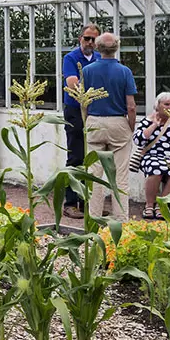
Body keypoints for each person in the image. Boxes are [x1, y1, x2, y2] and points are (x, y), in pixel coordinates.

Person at [80, 32, 138, 218]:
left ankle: (94, 217)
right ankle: (121, 219)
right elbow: (131, 105)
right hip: (118, 122)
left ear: (97, 47)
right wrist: (130, 126)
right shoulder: (125, 71)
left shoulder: (87, 71)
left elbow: (84, 101)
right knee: (120, 176)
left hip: (94, 121)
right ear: (117, 47)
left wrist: (86, 122)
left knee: (94, 175)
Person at [62, 23, 101, 219]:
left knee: (92, 158)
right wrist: (89, 95)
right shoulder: (71, 58)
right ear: (80, 39)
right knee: (76, 156)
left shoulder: (100, 58)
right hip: (76, 111)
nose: (90, 43)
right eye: (87, 38)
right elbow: (72, 82)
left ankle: (89, 203)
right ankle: (70, 203)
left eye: (94, 39)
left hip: (94, 111)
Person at [134, 92, 170, 219]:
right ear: (158, 105)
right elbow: (138, 140)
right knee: (156, 170)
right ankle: (149, 205)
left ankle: (161, 205)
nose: (169, 107)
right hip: (152, 156)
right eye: (166, 104)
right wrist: (154, 125)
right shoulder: (147, 120)